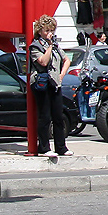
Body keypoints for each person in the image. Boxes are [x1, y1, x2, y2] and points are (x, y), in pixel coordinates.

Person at [29, 15, 72, 158]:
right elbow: (42, 61)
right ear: (40, 31)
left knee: (58, 116)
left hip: (55, 83)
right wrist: (49, 47)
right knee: (44, 116)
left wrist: (61, 75)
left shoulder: (56, 46)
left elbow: (66, 60)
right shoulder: (35, 45)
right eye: (47, 30)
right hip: (42, 83)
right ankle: (43, 147)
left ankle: (61, 147)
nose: (50, 33)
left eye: (52, 30)